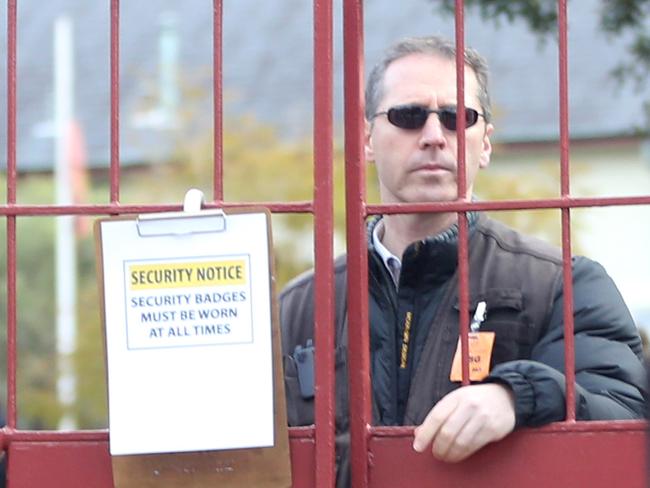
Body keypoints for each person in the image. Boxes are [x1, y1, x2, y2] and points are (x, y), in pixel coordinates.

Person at [280, 35, 646, 486]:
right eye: (409, 116)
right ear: (367, 138)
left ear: (485, 143)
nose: (434, 136)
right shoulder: (296, 308)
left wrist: (518, 395)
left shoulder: (563, 285)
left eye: (458, 118)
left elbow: (624, 419)